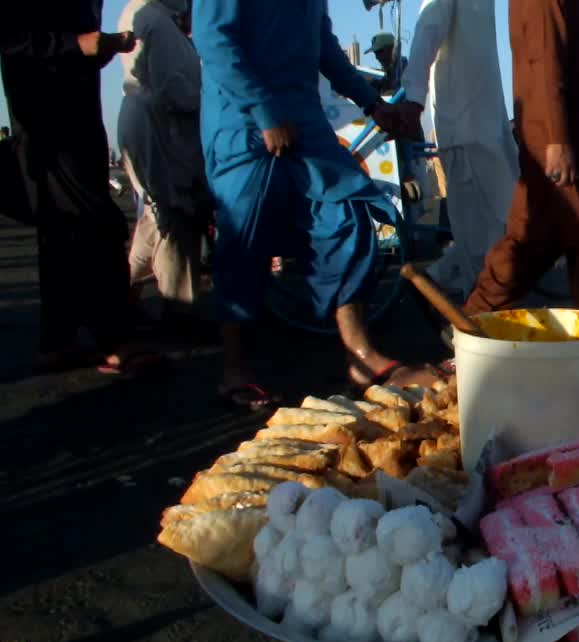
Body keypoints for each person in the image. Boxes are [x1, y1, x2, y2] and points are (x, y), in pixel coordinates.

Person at [192, 0, 437, 406]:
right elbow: (213, 40)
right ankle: (235, 368)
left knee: (348, 216)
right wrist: (265, 110)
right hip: (243, 123)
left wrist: (373, 104)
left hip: (305, 121)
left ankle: (361, 357)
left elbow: (323, 44)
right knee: (244, 238)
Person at [2, 3, 168, 375]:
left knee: (63, 229)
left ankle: (58, 340)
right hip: (47, 120)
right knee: (98, 224)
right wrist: (74, 44)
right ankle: (114, 339)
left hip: (77, 114)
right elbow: (12, 39)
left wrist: (99, 48)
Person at [460, 0, 579, 315]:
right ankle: (469, 328)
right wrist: (556, 138)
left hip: (576, 148)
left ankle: (469, 326)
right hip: (578, 152)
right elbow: (542, 58)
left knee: (530, 246)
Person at [395, 0, 519, 297]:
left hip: (489, 124)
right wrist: (414, 98)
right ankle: (482, 318)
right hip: (465, 125)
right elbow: (428, 30)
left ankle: (437, 281)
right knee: (483, 235)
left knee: (503, 222)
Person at [117, 0, 209, 320]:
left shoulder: (156, 18)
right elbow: (176, 92)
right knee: (176, 214)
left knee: (159, 217)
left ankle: (122, 291)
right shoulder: (155, 21)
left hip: (156, 126)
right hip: (161, 130)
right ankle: (178, 308)